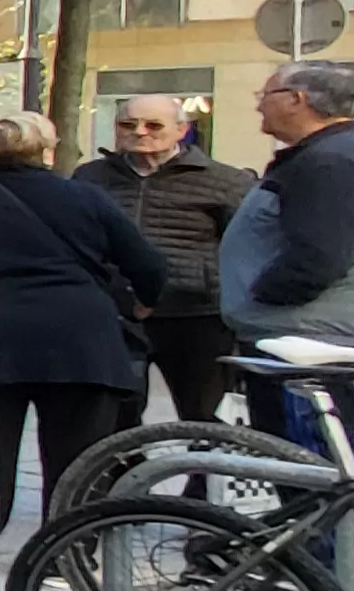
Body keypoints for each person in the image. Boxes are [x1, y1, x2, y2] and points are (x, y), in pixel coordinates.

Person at [0, 111, 167, 527]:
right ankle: (70, 551)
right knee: (77, 458)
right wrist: (144, 304)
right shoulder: (86, 197)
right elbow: (148, 264)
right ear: (47, 154)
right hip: (80, 339)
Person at [74, 94, 253, 424]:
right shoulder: (90, 178)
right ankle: (124, 475)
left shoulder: (225, 181)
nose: (140, 132)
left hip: (195, 315)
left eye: (153, 125)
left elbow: (244, 248)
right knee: (117, 416)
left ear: (181, 130)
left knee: (202, 416)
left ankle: (202, 476)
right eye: (128, 124)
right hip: (117, 315)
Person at [223, 62, 354, 440]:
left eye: (264, 96)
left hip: (304, 342)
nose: (258, 107)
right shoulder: (328, 154)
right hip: (307, 332)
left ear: (297, 99)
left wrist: (263, 295)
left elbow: (319, 257)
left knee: (309, 468)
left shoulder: (329, 161)